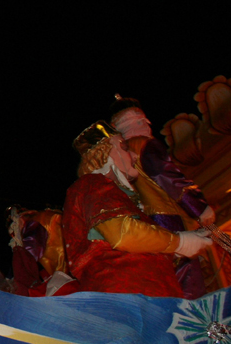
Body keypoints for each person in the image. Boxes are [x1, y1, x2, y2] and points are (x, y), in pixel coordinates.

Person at [110, 95, 231, 292]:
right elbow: (166, 175)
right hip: (166, 219)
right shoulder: (144, 144)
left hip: (142, 226)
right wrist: (198, 206)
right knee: (186, 277)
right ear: (140, 121)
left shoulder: (117, 156)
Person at [62, 121, 213, 297]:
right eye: (125, 148)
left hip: (152, 297)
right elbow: (122, 233)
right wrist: (180, 242)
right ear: (105, 152)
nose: (134, 156)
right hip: (129, 297)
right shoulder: (93, 184)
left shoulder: (119, 199)